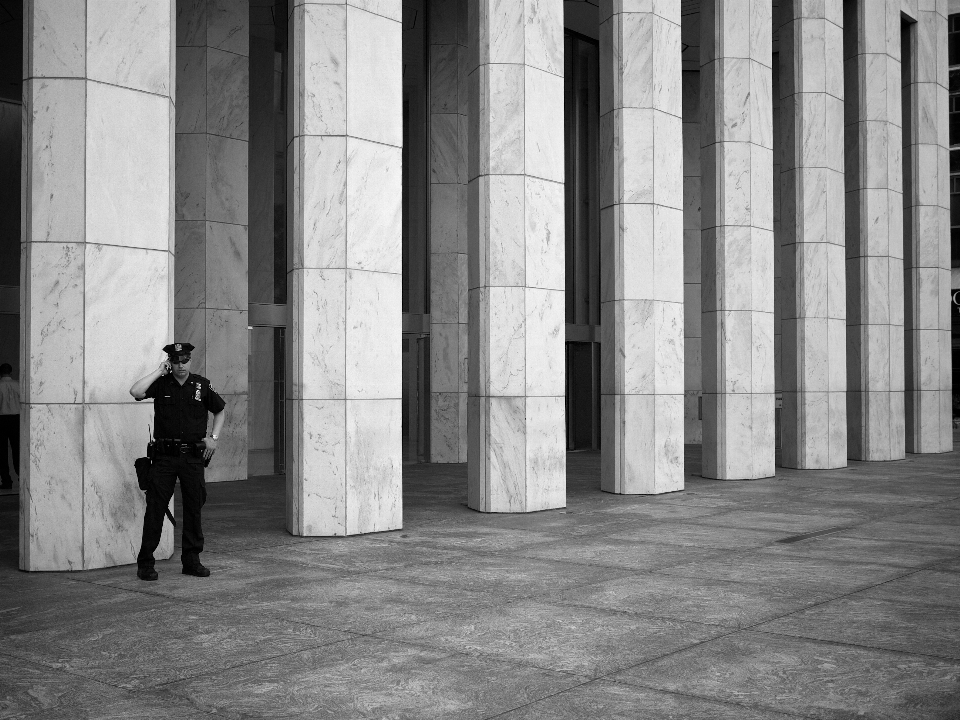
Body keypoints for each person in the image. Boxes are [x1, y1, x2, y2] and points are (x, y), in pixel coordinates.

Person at [130, 342, 226, 581]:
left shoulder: (201, 385)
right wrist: (158, 372)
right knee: (155, 509)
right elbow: (136, 392)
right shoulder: (161, 383)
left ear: (190, 361)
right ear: (169, 362)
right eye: (175, 361)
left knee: (194, 508)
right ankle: (146, 563)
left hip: (193, 457)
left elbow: (220, 410)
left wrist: (213, 438)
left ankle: (191, 561)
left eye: (184, 360)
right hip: (164, 457)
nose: (181, 365)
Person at [0, 363, 19, 490]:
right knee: (17, 450)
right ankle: (21, 477)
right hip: (16, 419)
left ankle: (6, 480)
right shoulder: (18, 385)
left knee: (2, 451)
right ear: (11, 372)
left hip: (1, 419)